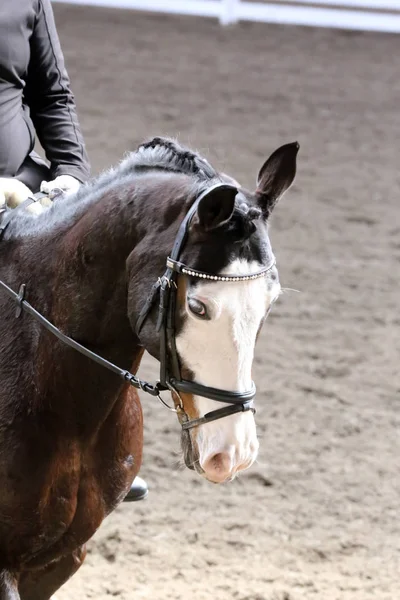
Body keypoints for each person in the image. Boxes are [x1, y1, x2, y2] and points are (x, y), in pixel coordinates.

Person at [0, 0, 147, 502]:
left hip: (20, 179)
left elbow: (51, 93)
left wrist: (70, 174)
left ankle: (99, 448)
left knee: (97, 269)